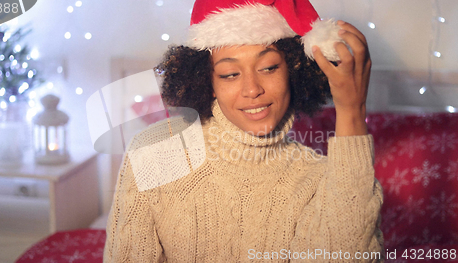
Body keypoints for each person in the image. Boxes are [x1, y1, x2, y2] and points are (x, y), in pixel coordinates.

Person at [104, 0, 384, 262]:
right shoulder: (154, 152)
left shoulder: (322, 179)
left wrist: (351, 111)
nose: (252, 90)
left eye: (269, 68)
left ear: (293, 70)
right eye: (230, 74)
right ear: (208, 82)